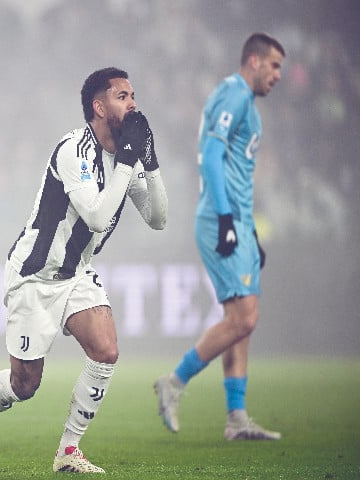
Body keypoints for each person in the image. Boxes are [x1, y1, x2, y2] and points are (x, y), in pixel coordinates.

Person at [0, 67, 168, 473]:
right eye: (122, 96)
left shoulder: (125, 155)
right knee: (26, 385)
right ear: (99, 106)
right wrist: (129, 160)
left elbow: (158, 218)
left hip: (76, 273)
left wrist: (150, 158)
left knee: (106, 350)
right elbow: (95, 217)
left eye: (133, 95)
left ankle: (68, 451)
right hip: (35, 274)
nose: (133, 103)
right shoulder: (73, 150)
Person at [154, 32, 285, 440]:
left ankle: (236, 418)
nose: (278, 75)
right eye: (275, 65)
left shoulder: (243, 101)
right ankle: (173, 382)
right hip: (219, 218)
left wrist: (247, 228)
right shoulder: (234, 95)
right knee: (245, 317)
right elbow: (211, 156)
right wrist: (228, 220)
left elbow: (233, 168)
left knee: (240, 323)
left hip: (238, 220)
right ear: (254, 60)